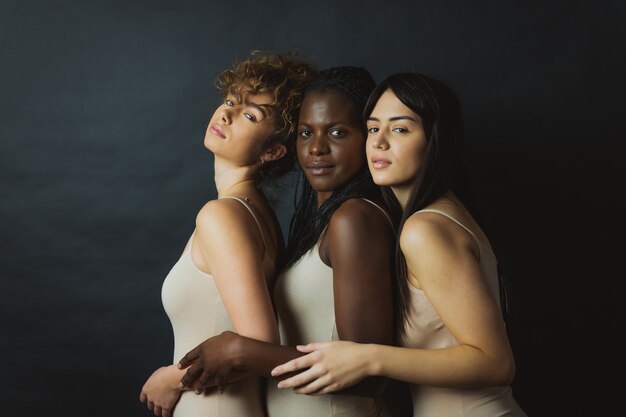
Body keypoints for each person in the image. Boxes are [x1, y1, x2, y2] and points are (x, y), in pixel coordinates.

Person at [270, 73, 529, 417]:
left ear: (435, 139)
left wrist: (368, 358)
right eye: (374, 128)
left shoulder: (424, 229)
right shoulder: (439, 215)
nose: (379, 142)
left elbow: (496, 363)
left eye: (400, 129)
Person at [176, 67, 400, 417]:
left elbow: (368, 375)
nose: (316, 148)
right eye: (306, 132)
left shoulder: (355, 219)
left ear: (368, 138)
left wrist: (235, 350)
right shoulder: (320, 223)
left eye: (338, 132)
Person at [138, 50, 316, 417]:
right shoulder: (256, 215)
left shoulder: (223, 216)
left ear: (273, 151)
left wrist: (174, 378)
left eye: (250, 114)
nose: (226, 113)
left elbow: (258, 344)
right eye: (231, 100)